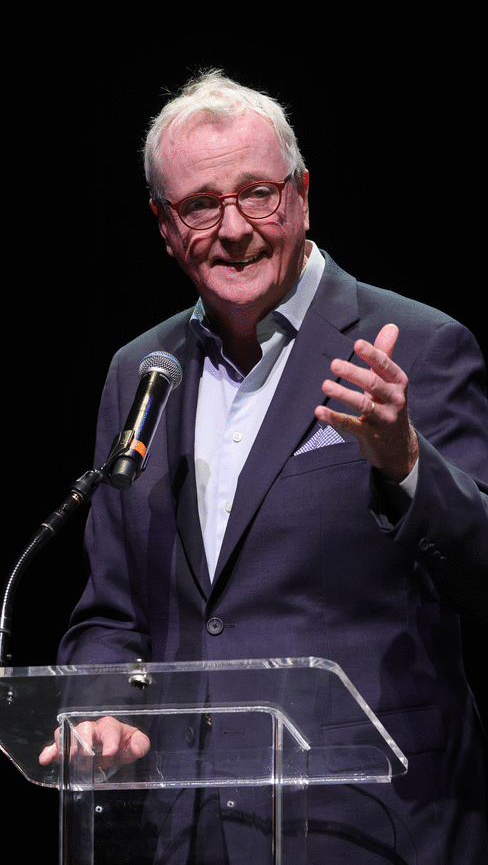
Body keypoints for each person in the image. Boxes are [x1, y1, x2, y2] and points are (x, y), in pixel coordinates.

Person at [41, 70, 488, 863]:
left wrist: (407, 464)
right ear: (164, 225)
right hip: (185, 831)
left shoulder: (418, 346)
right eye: (199, 205)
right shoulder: (140, 374)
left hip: (367, 827)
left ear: (302, 195)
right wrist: (102, 709)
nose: (233, 228)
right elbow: (112, 614)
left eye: (257, 194)